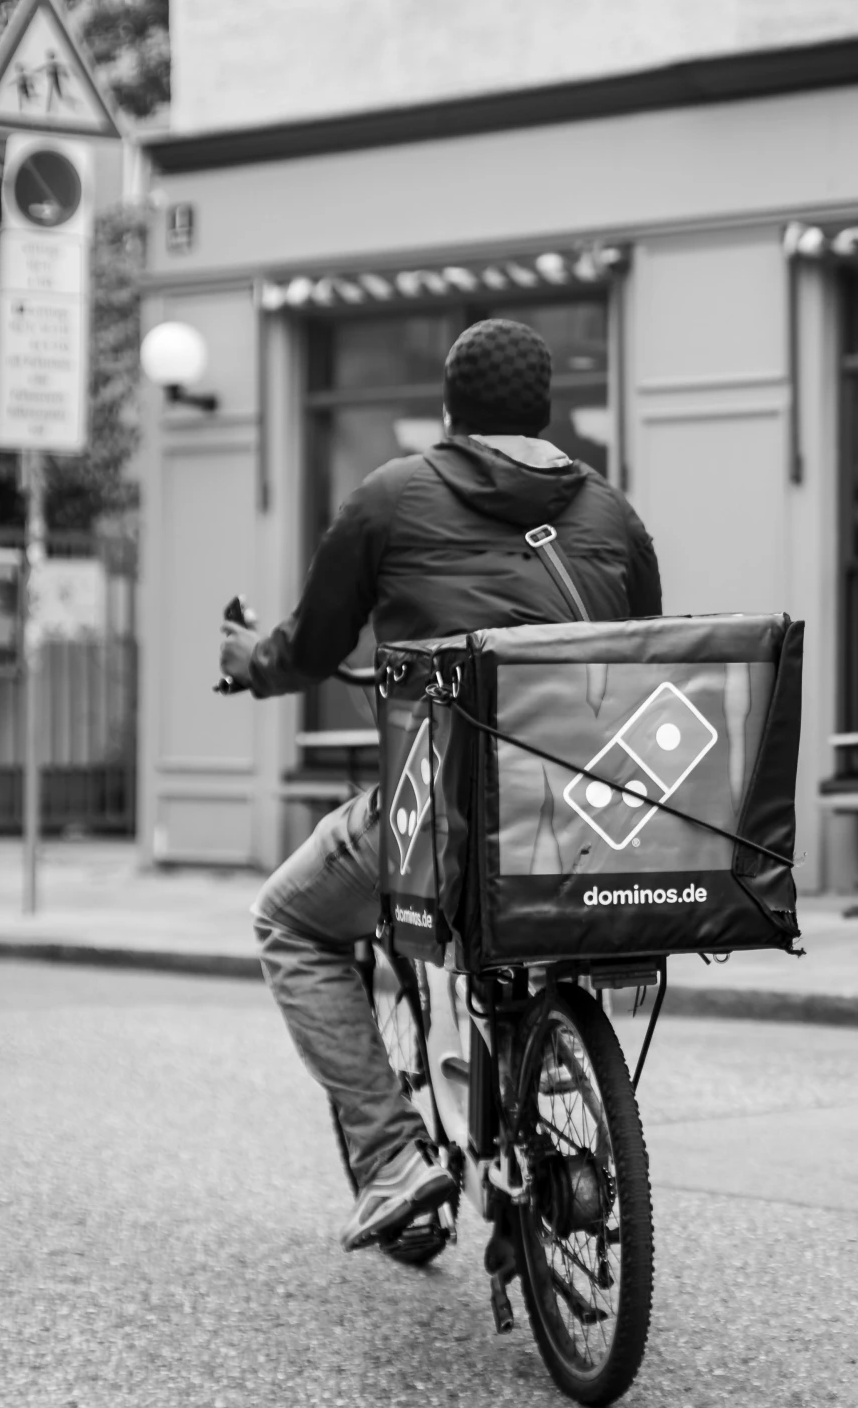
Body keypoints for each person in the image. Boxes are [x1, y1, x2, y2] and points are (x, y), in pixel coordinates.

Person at [218, 318, 661, 1252]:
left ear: (450, 411)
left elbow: (311, 649)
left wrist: (250, 662)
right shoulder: (614, 515)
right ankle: (539, 1059)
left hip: (445, 819)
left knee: (288, 919)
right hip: (587, 816)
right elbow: (639, 655)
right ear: (544, 411)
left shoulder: (391, 499)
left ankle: (390, 1157)